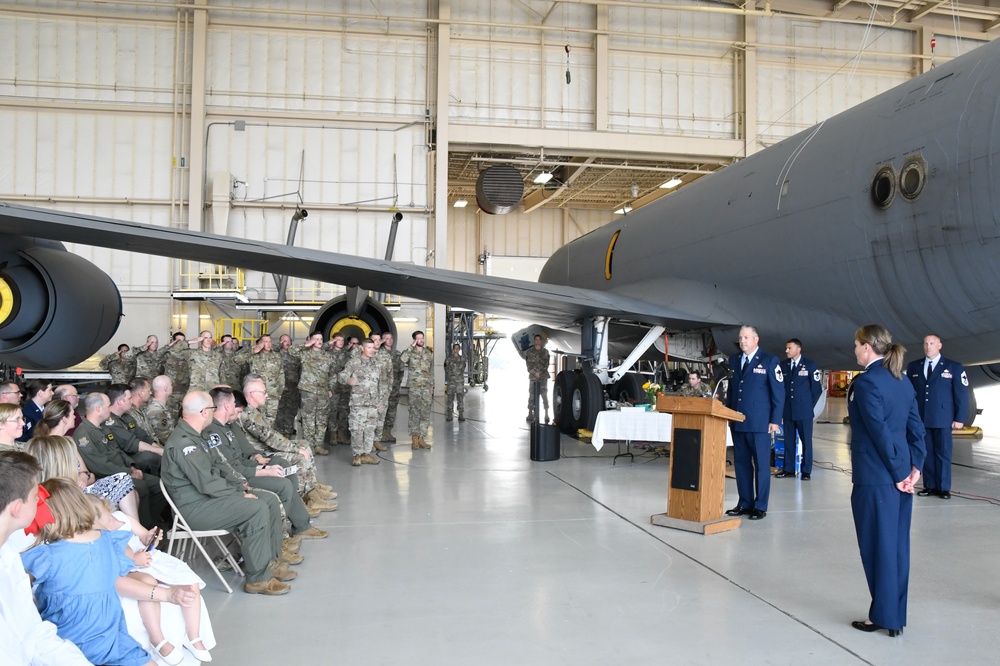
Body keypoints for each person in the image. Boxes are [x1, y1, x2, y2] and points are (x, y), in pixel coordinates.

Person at [20, 477, 197, 666]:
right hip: (112, 639)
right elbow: (123, 566)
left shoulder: (46, 555)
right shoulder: (109, 540)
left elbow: (15, 584)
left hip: (67, 640)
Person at [161, 391, 293, 596]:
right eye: (212, 410)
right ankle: (258, 579)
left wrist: (241, 486)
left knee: (268, 499)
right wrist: (238, 496)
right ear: (204, 412)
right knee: (256, 508)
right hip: (194, 509)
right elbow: (207, 483)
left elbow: (220, 466)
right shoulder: (184, 444)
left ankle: (270, 561)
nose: (214, 414)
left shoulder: (199, 437)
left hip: (208, 500)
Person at [849, 324, 926, 636]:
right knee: (896, 547)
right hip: (900, 477)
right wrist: (914, 468)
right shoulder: (901, 380)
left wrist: (898, 475)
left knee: (876, 547)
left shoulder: (867, 383)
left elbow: (879, 434)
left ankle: (883, 617)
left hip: (876, 477)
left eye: (856, 345)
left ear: (867, 347)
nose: (854, 350)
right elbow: (916, 428)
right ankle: (894, 616)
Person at [88, 495, 214, 664]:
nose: (111, 522)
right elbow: (113, 560)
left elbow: (143, 535)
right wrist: (134, 560)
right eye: (106, 520)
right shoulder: (98, 534)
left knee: (188, 578)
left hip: (148, 557)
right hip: (129, 566)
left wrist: (151, 537)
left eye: (110, 516)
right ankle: (158, 639)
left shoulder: (122, 518)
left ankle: (193, 636)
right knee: (147, 581)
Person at [0, 451, 92, 664]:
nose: (41, 500)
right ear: (17, 508)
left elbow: (31, 630)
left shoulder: (9, 553)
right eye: (35, 496)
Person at [74, 392, 168, 529]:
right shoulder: (83, 434)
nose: (110, 409)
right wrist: (128, 473)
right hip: (109, 476)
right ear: (98, 409)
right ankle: (142, 529)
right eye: (108, 406)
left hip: (124, 471)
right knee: (140, 487)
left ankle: (150, 524)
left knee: (160, 486)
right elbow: (99, 465)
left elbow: (118, 451)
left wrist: (132, 467)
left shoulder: (103, 427)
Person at [27, 424, 142, 525]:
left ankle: (137, 532)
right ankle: (136, 533)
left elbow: (89, 475)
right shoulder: (57, 452)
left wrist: (83, 476)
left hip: (84, 486)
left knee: (126, 481)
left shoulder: (68, 442)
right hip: (73, 496)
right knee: (129, 489)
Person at [724, 325, 783, 521]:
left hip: (760, 424)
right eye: (741, 338)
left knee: (761, 466)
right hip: (738, 422)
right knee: (741, 464)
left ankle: (760, 506)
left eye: (746, 337)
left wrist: (775, 420)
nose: (743, 341)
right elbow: (732, 391)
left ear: (756, 339)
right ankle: (745, 503)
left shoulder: (769, 361)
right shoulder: (734, 360)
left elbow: (778, 393)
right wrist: (728, 413)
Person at [907, 334, 968, 500]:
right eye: (926, 343)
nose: (928, 347)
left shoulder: (953, 367)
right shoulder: (914, 367)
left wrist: (960, 418)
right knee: (925, 452)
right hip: (921, 418)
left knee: (943, 453)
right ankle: (930, 485)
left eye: (932, 343)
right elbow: (909, 394)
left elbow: (961, 394)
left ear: (939, 345)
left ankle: (943, 487)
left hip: (943, 418)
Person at [775, 339, 823, 480]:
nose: (786, 351)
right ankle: (788, 469)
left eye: (789, 348)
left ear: (798, 349)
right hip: (788, 410)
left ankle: (806, 470)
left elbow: (816, 389)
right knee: (788, 440)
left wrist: (807, 405)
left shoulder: (810, 365)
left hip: (804, 411)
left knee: (806, 441)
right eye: (786, 348)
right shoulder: (783, 366)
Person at [287, 333, 336, 456]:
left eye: (321, 339)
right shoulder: (305, 353)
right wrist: (307, 344)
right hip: (308, 391)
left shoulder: (327, 356)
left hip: (323, 392)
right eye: (316, 339)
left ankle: (318, 445)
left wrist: (331, 388)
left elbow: (332, 374)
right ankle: (309, 446)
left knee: (322, 420)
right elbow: (291, 350)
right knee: (308, 419)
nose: (319, 341)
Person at [340, 338, 383, 466]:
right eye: (369, 348)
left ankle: (366, 454)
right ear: (362, 348)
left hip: (373, 403)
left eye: (373, 348)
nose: (372, 350)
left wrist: (379, 399)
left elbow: (379, 383)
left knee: (370, 429)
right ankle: (357, 455)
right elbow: (341, 376)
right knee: (357, 429)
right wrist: (348, 380)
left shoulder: (376, 364)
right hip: (358, 403)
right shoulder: (354, 362)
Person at [400, 330, 433, 449]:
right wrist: (411, 347)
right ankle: (414, 439)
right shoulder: (410, 352)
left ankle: (421, 438)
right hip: (414, 388)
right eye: (418, 338)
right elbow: (402, 359)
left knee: (425, 414)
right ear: (414, 340)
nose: (421, 340)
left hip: (426, 388)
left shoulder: (428, 353)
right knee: (414, 413)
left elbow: (431, 370)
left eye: (422, 338)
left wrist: (432, 386)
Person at [380, 332, 404, 443]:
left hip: (394, 389)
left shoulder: (397, 354)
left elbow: (400, 372)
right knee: (381, 412)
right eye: (387, 338)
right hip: (382, 390)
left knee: (392, 411)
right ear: (382, 340)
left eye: (391, 338)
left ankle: (387, 432)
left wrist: (397, 385)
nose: (389, 340)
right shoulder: (379, 354)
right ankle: (379, 434)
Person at [524, 334, 550, 422]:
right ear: (534, 341)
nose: (537, 341)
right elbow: (528, 365)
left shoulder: (545, 352)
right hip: (533, 376)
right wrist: (534, 372)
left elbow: (546, 364)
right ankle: (530, 413)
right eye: (536, 340)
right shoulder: (530, 352)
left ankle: (546, 413)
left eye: (539, 340)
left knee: (544, 394)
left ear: (541, 341)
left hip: (543, 376)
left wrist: (540, 373)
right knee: (531, 394)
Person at [444, 342, 467, 422]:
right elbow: (446, 369)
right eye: (455, 348)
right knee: (450, 398)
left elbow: (463, 368)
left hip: (460, 382)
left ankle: (461, 414)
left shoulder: (462, 359)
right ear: (453, 349)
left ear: (459, 349)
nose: (456, 349)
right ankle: (449, 414)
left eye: (458, 348)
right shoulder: (448, 359)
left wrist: (457, 375)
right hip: (451, 382)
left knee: (460, 398)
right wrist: (452, 376)